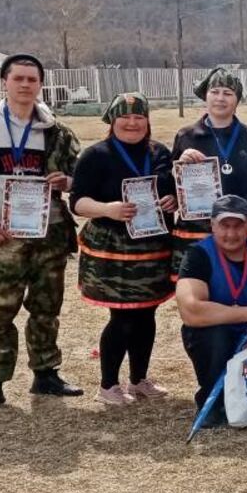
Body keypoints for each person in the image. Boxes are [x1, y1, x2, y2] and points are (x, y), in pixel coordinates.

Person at [0, 53, 83, 415]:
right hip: (1, 235)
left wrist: (69, 181)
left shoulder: (56, 132)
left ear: (40, 85)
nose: (26, 85)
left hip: (49, 234)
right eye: (18, 79)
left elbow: (81, 176)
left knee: (46, 308)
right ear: (4, 83)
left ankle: (46, 373)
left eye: (32, 79)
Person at [70, 93, 177, 406]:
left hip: (153, 246)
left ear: (147, 121)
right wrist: (107, 208)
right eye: (125, 118)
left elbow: (171, 190)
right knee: (122, 318)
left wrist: (174, 201)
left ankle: (139, 379)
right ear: (112, 121)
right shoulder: (95, 155)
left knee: (147, 314)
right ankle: (108, 385)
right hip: (114, 249)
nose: (133, 123)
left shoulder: (160, 152)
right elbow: (77, 201)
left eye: (139, 117)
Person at [176, 195, 247, 422]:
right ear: (212, 225)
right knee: (219, 336)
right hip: (213, 336)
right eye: (224, 226)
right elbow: (191, 310)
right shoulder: (198, 255)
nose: (231, 234)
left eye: (238, 226)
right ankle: (210, 399)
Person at [171, 66, 247, 277]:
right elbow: (172, 188)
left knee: (241, 289)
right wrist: (179, 169)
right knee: (197, 294)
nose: (220, 98)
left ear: (237, 100)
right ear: (205, 96)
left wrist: (237, 212)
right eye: (214, 92)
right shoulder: (186, 136)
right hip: (197, 231)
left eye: (228, 93)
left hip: (241, 228)